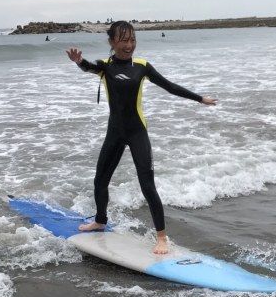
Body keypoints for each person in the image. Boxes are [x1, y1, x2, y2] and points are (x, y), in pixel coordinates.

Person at [66, 20, 217, 254]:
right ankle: (100, 220)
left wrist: (199, 99)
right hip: (115, 132)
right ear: (112, 42)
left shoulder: (142, 66)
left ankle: (162, 237)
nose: (129, 45)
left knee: (147, 185)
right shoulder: (105, 67)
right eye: (124, 40)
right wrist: (78, 62)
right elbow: (88, 66)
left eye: (132, 39)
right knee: (100, 180)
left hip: (137, 132)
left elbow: (169, 86)